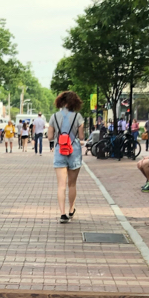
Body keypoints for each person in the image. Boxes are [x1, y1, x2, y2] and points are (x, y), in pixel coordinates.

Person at [48, 90, 85, 223]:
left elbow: (50, 137)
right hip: (74, 151)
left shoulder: (54, 117)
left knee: (61, 185)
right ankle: (71, 209)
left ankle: (62, 214)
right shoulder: (78, 117)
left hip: (59, 151)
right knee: (72, 184)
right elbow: (81, 137)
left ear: (61, 102)